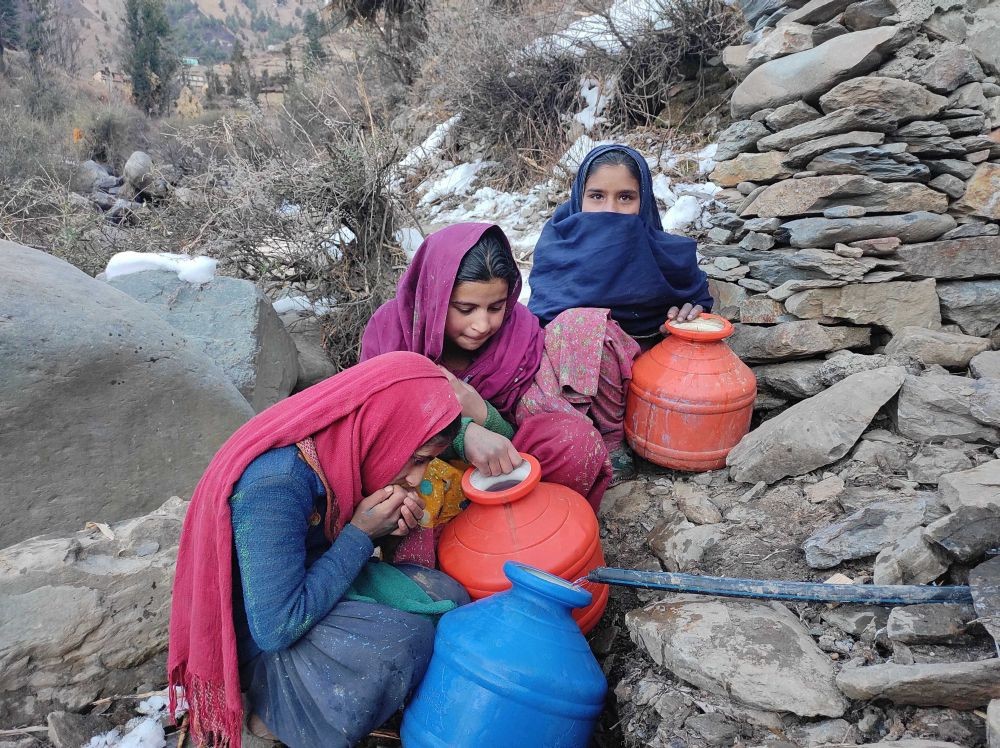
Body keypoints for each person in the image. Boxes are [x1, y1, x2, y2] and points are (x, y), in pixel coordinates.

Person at [167, 352, 470, 748]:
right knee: (402, 641)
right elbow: (276, 627)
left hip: (313, 587)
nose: (416, 477)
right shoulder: (277, 483)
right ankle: (276, 714)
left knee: (447, 595)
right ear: (382, 431)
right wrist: (362, 534)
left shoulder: (344, 450)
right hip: (263, 639)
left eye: (426, 463)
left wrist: (387, 531)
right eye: (415, 460)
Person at [361, 222, 625, 507]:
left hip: (505, 462)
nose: (482, 325)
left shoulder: (516, 334)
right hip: (423, 472)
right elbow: (376, 421)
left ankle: (537, 521)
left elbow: (519, 434)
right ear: (434, 299)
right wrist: (462, 433)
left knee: (576, 443)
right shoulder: (392, 332)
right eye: (466, 309)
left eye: (496, 307)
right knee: (401, 497)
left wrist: (485, 416)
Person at [528, 144, 713, 347]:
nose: (610, 210)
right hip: (571, 375)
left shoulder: (668, 259)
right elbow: (539, 325)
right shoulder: (556, 249)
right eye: (597, 196)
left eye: (625, 197)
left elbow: (697, 300)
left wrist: (689, 314)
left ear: (643, 203)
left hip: (655, 370)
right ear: (579, 198)